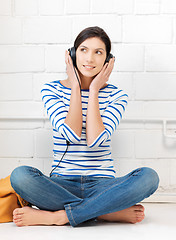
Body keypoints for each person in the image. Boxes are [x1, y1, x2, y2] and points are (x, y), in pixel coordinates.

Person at [10, 26, 159, 227]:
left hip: (103, 185)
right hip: (61, 184)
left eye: (98, 52)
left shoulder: (117, 96)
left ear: (108, 60)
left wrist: (95, 89)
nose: (89, 58)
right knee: (21, 176)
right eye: (83, 50)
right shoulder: (51, 90)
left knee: (149, 177)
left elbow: (95, 141)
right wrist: (75, 86)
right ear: (72, 54)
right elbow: (70, 135)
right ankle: (104, 212)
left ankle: (59, 216)